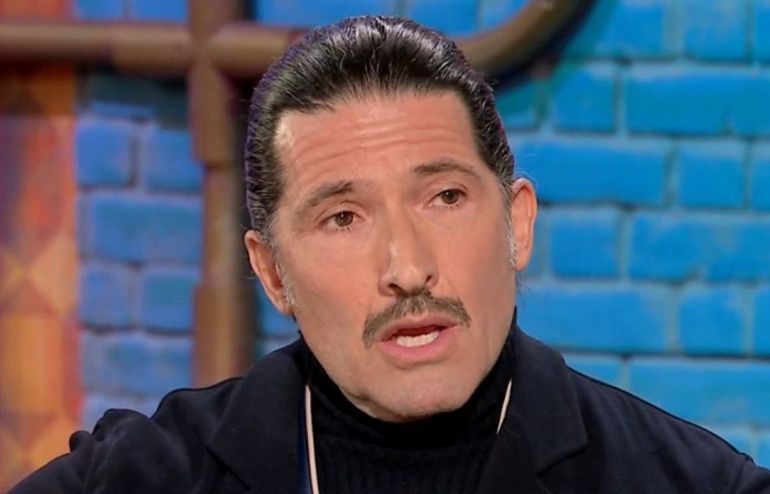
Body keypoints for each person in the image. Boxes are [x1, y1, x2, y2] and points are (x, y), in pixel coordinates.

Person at [11, 15, 770, 494]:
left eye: (445, 197)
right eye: (343, 217)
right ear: (272, 272)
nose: (407, 269)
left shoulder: (689, 482)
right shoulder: (143, 477)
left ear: (517, 222)